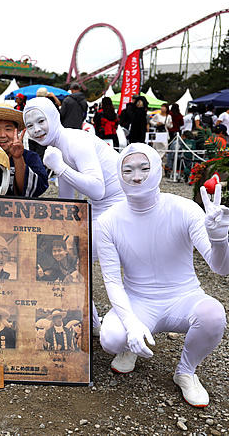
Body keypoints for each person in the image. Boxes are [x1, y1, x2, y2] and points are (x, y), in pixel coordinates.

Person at [95, 142, 229, 408]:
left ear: (156, 169)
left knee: (213, 315)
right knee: (111, 338)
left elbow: (221, 267)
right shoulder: (108, 221)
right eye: (128, 170)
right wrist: (131, 323)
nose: (136, 176)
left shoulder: (183, 209)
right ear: (118, 174)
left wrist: (220, 238)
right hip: (138, 300)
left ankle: (186, 371)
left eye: (144, 168)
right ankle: (129, 345)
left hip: (184, 296)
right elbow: (111, 279)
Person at [24, 97, 125, 332]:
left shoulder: (75, 141)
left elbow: (97, 190)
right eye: (30, 125)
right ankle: (92, 322)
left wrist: (60, 167)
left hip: (120, 209)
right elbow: (68, 202)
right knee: (63, 255)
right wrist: (62, 231)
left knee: (69, 258)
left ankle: (94, 323)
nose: (37, 129)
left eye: (41, 121)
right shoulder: (59, 146)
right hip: (103, 210)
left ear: (53, 117)